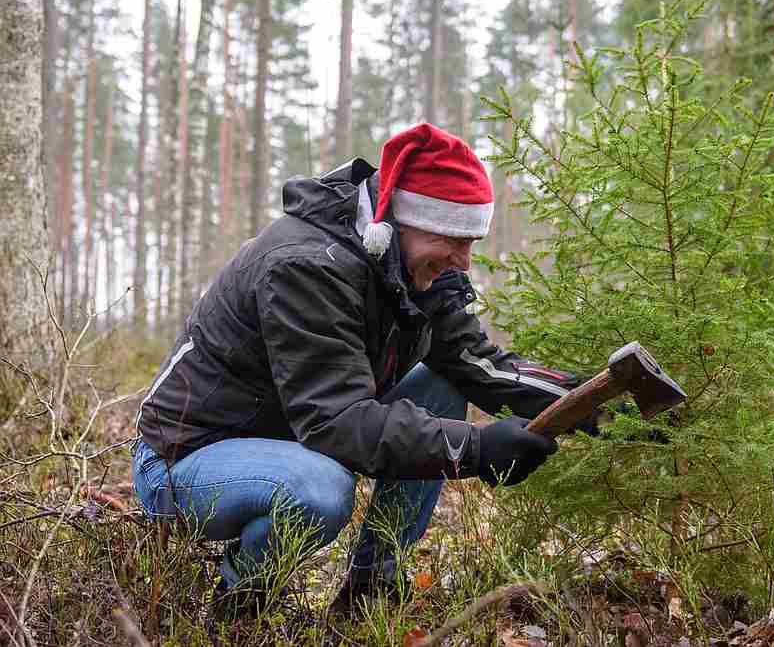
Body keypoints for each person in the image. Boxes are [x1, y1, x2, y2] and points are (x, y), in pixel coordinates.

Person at [132, 123, 589, 613]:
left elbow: (479, 365)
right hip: (187, 459)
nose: (464, 260)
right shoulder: (306, 265)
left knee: (441, 383)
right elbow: (337, 421)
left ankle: (372, 588)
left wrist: (593, 404)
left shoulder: (410, 266)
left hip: (290, 440)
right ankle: (239, 605)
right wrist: (473, 447)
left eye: (472, 240)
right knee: (320, 490)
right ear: (404, 219)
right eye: (454, 238)